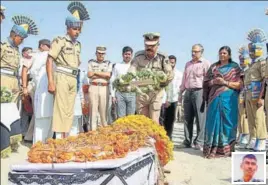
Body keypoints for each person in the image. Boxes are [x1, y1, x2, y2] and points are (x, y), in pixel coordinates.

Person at [46, 1, 90, 139]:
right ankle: (59, 140)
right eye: (75, 29)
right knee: (60, 109)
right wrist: (51, 82)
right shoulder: (60, 41)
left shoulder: (78, 45)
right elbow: (49, 59)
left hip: (73, 78)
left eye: (79, 29)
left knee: (69, 110)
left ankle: (67, 138)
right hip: (62, 76)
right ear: (68, 28)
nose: (77, 32)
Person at [1, 15, 38, 151]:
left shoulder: (16, 50)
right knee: (2, 111)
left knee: (13, 111)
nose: (21, 42)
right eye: (20, 39)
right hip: (3, 80)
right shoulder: (3, 46)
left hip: (14, 82)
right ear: (14, 35)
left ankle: (10, 142)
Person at [203, 46, 242, 158]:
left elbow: (240, 84)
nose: (222, 55)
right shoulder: (213, 67)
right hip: (214, 98)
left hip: (229, 99)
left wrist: (224, 82)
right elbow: (206, 82)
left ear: (229, 55)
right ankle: (212, 148)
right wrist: (214, 81)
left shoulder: (234, 67)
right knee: (212, 121)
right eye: (220, 53)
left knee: (228, 122)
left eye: (225, 53)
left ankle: (227, 149)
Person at [128, 32, 174, 123]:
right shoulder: (138, 56)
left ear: (158, 45)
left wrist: (161, 82)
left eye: (152, 46)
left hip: (156, 93)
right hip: (142, 94)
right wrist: (131, 80)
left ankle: (153, 137)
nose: (149, 48)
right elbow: (131, 70)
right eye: (147, 45)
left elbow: (170, 75)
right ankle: (145, 137)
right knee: (142, 121)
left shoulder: (163, 57)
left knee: (154, 120)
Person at [178, 44, 210, 150]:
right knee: (187, 118)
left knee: (200, 118)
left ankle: (199, 142)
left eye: (196, 51)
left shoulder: (205, 63)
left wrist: (207, 94)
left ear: (201, 52)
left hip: (200, 92)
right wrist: (181, 92)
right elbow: (184, 79)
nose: (193, 53)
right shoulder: (188, 64)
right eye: (192, 51)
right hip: (188, 91)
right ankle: (187, 141)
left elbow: (208, 80)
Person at [20, 39, 52, 143]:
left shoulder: (49, 55)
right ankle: (33, 138)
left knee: (43, 112)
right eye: (47, 45)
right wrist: (24, 87)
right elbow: (24, 70)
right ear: (41, 45)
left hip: (47, 86)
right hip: (35, 85)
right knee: (39, 112)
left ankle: (30, 136)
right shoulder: (33, 54)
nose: (49, 47)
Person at [244, 28, 267, 151]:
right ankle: (253, 138)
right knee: (251, 117)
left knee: (259, 117)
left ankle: (262, 139)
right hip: (248, 92)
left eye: (254, 49)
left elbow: (264, 80)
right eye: (251, 49)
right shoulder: (251, 64)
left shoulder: (262, 62)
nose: (252, 52)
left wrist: (261, 97)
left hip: (257, 92)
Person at [87, 46, 113, 130]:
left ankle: (104, 132)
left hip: (104, 88)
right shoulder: (91, 62)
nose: (101, 55)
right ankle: (92, 133)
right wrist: (102, 74)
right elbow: (90, 74)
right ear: (96, 53)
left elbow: (108, 75)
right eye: (99, 53)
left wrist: (95, 72)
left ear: (105, 54)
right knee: (93, 112)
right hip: (93, 86)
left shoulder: (108, 63)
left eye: (102, 53)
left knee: (103, 112)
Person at [110, 46, 136, 118]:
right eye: (125, 54)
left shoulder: (135, 66)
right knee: (121, 117)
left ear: (131, 55)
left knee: (131, 118)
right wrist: (113, 95)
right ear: (122, 55)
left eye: (129, 54)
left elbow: (138, 81)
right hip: (120, 94)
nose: (127, 56)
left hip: (132, 94)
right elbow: (113, 80)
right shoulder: (117, 66)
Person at [162, 55, 182, 140]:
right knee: (162, 120)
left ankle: (169, 138)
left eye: (173, 62)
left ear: (175, 63)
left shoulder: (179, 74)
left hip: (174, 100)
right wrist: (166, 99)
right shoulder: (162, 73)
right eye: (169, 62)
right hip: (163, 100)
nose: (171, 64)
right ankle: (162, 138)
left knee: (171, 120)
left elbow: (179, 87)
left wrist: (177, 99)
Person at [237, 46, 250, 148]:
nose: (242, 61)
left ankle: (246, 134)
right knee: (240, 115)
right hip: (240, 94)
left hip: (247, 94)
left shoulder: (249, 70)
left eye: (244, 59)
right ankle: (241, 133)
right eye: (241, 59)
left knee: (245, 115)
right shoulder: (240, 71)